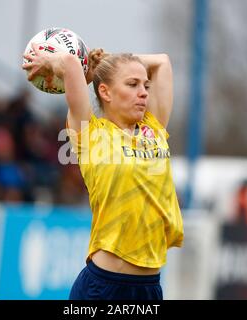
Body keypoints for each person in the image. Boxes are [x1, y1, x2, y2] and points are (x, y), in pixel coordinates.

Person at [22, 43, 184, 300]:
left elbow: (162, 61)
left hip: (149, 288)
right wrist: (69, 65)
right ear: (105, 92)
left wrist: (112, 61)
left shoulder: (154, 127)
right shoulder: (90, 133)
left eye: (146, 85)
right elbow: (71, 63)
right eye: (132, 84)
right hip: (104, 286)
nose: (143, 92)